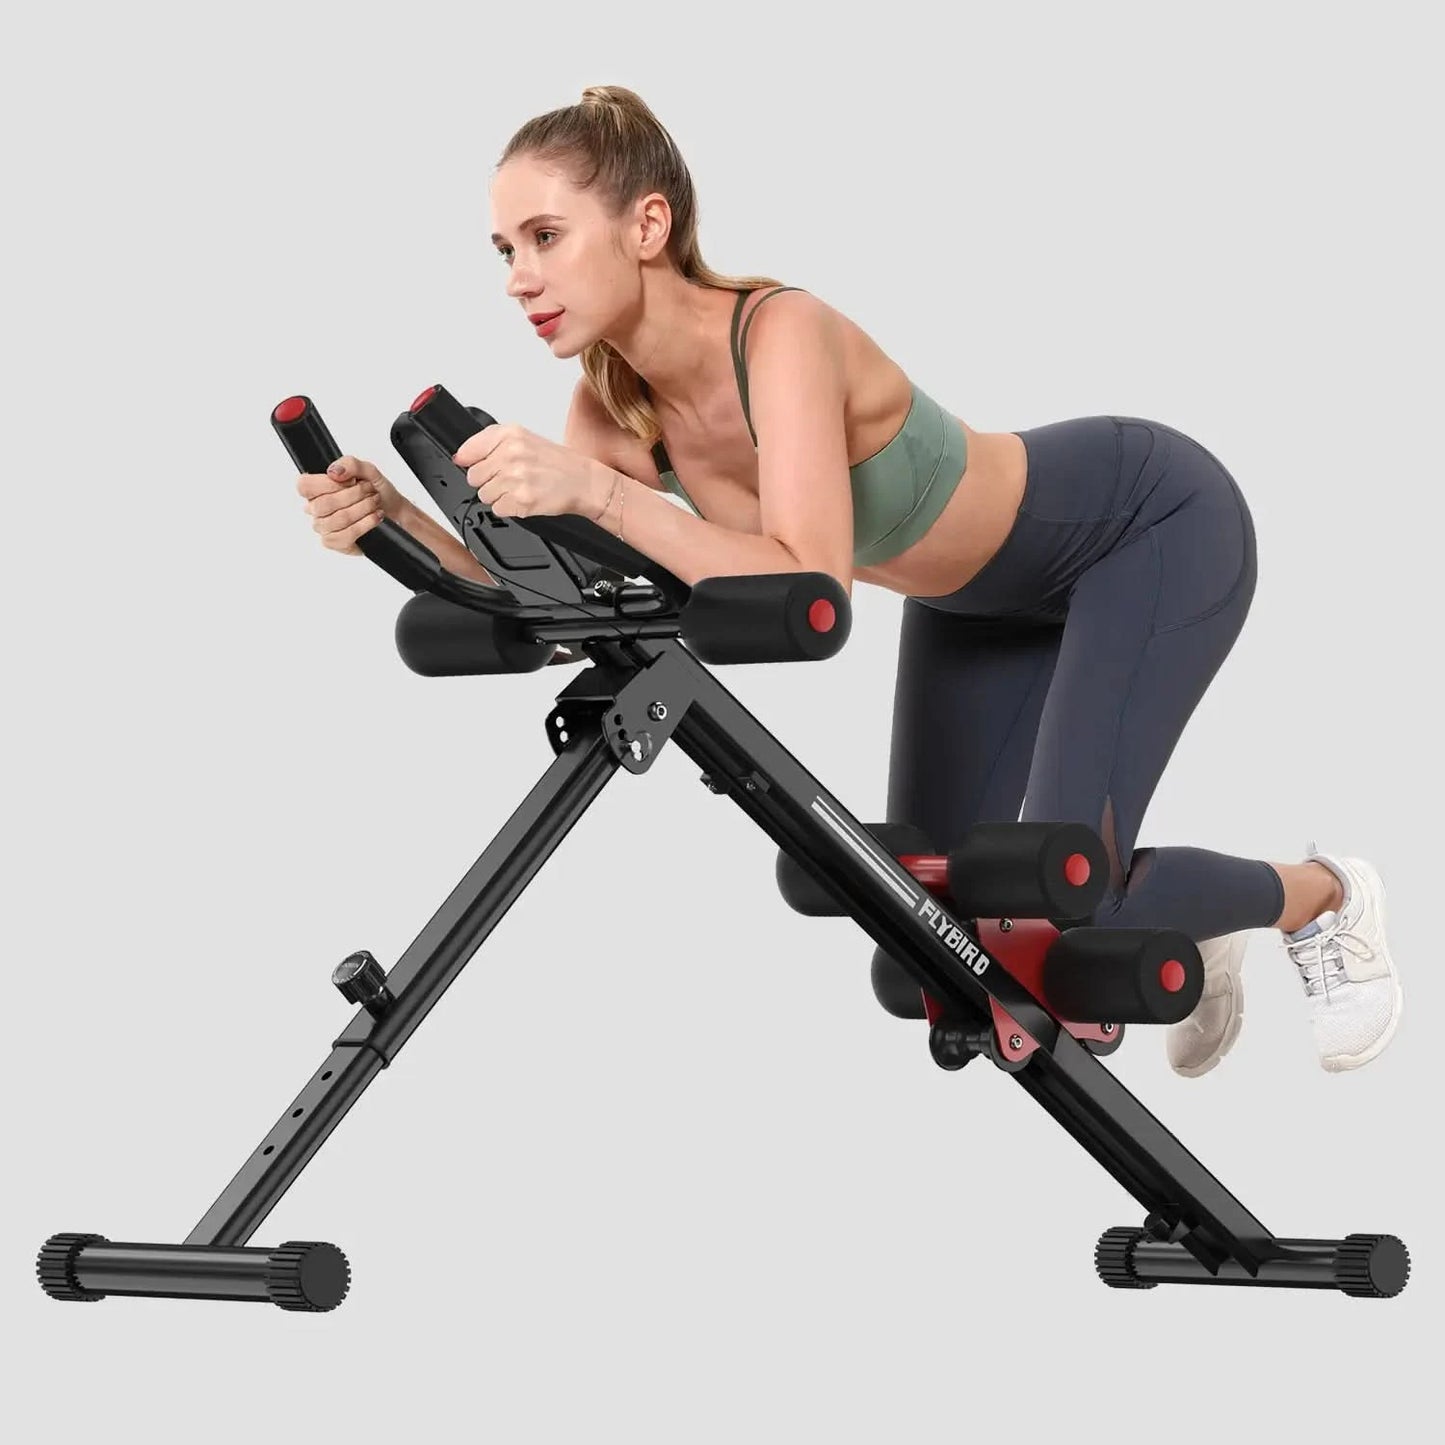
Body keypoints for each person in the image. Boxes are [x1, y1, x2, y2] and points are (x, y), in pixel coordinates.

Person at [295, 85, 1402, 1077]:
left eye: (543, 235)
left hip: (1141, 527)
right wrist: (400, 528)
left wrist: (595, 491)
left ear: (646, 225)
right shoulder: (615, 412)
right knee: (934, 917)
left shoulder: (779, 333)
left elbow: (802, 572)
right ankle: (1193, 923)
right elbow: (580, 599)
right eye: (501, 249)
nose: (519, 277)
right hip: (975, 609)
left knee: (1063, 893)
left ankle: (1322, 897)